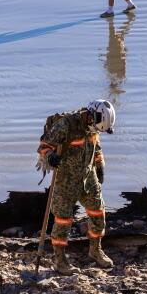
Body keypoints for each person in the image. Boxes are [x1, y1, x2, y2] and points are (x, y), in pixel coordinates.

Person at [37, 100, 116, 276]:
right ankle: (59, 260)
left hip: (88, 179)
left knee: (98, 213)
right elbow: (44, 146)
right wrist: (50, 157)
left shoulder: (94, 127)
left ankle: (95, 250)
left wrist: (100, 165)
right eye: (96, 127)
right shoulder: (66, 125)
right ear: (90, 117)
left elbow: (96, 148)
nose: (96, 131)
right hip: (66, 182)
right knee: (63, 220)